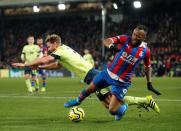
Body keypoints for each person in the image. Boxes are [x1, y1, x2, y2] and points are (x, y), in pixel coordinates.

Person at [12, 34, 160, 113]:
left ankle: (144, 101)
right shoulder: (63, 50)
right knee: (108, 103)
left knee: (111, 102)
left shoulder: (60, 50)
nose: (48, 48)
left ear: (55, 44)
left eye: (49, 46)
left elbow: (45, 60)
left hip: (92, 74)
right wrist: (39, 68)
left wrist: (26, 64)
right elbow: (57, 65)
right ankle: (131, 105)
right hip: (90, 75)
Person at [64, 25, 161, 120]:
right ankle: (78, 100)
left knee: (112, 110)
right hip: (108, 74)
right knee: (90, 89)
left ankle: (122, 108)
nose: (134, 37)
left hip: (122, 82)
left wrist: (149, 83)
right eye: (134, 34)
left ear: (144, 38)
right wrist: (111, 46)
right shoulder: (125, 39)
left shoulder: (146, 51)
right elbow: (106, 40)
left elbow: (148, 66)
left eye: (138, 36)